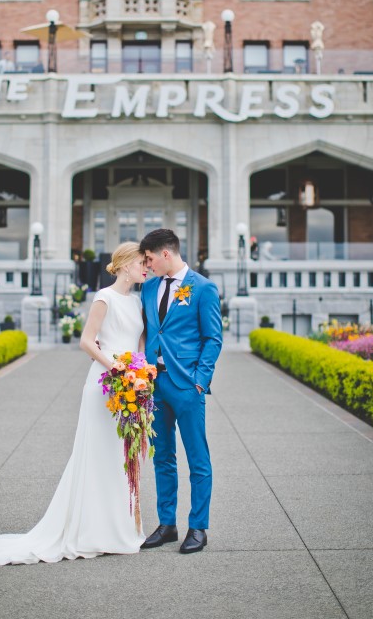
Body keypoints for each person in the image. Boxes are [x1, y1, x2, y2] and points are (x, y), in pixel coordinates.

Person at [0, 242, 148, 565]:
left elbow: (140, 345)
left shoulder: (138, 302)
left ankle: (120, 528)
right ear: (123, 265)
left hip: (132, 386)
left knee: (121, 456)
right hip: (104, 384)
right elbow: (85, 341)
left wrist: (141, 374)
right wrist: (116, 368)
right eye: (140, 262)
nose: (145, 267)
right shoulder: (103, 298)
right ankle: (90, 531)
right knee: (97, 454)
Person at [139, 228, 222, 554]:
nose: (147, 266)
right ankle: (167, 524)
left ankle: (198, 527)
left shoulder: (202, 288)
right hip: (154, 384)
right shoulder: (147, 288)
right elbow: (146, 329)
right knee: (162, 457)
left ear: (166, 254)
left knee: (197, 458)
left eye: (149, 259)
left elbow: (213, 338)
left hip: (187, 386)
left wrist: (199, 381)